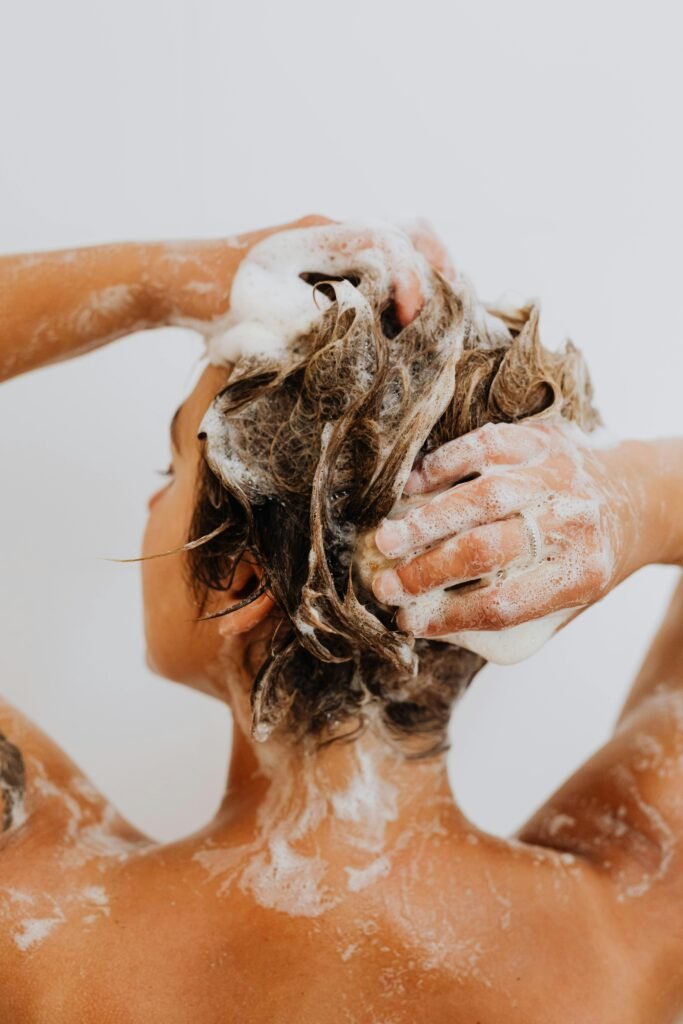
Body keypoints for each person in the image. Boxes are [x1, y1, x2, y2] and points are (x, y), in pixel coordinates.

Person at [0, 216, 682, 1024]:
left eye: (172, 465)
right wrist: (636, 496)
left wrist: (161, 278)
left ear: (240, 574)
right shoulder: (630, 910)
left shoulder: (45, 910)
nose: (152, 501)